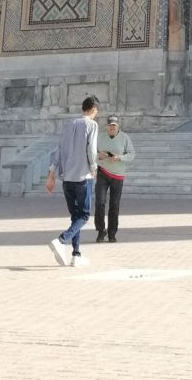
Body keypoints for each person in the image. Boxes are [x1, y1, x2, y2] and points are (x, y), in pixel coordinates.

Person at [45, 94, 99, 266]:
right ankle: (61, 240)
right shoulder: (92, 124)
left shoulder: (69, 124)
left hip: (67, 178)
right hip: (83, 177)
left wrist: (51, 173)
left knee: (75, 216)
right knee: (83, 216)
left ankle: (76, 254)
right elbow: (92, 149)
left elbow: (59, 150)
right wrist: (94, 167)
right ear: (93, 110)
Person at [94, 114, 135, 243]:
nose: (111, 127)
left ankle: (112, 233)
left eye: (114, 125)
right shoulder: (99, 137)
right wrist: (97, 156)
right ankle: (101, 231)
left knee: (114, 205)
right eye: (110, 125)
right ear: (107, 126)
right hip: (102, 172)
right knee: (99, 203)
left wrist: (120, 158)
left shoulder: (124, 138)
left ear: (118, 126)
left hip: (118, 175)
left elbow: (132, 154)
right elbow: (91, 153)